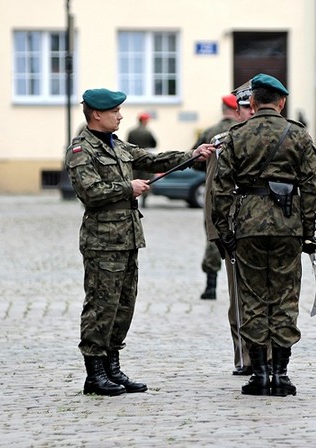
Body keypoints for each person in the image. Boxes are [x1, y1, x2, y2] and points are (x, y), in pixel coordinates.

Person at [64, 88, 214, 396]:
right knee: (100, 306)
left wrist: (193, 154)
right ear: (96, 115)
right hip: (102, 240)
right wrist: (126, 187)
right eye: (115, 111)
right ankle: (95, 374)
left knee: (123, 306)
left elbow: (153, 158)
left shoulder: (118, 146)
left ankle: (112, 368)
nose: (120, 116)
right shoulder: (82, 150)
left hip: (128, 238)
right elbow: (89, 192)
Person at [211, 73, 316, 396]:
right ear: (281, 102)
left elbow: (221, 188)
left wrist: (223, 228)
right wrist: (308, 229)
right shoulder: (298, 136)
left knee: (253, 297)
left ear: (253, 103)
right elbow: (312, 185)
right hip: (288, 226)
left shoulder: (236, 135)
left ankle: (258, 373)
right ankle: (281, 375)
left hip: (248, 226)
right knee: (285, 296)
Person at [198, 84, 257, 376]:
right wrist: (216, 233)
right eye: (245, 107)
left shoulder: (280, 137)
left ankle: (271, 358)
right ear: (237, 110)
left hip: (270, 232)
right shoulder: (222, 143)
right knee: (239, 299)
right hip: (235, 230)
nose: (250, 112)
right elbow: (211, 190)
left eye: (254, 106)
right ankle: (246, 357)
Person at [193, 94, 241, 300]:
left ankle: (210, 285)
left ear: (223, 109)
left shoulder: (210, 132)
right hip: (240, 192)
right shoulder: (242, 131)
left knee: (213, 237)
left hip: (214, 191)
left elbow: (194, 160)